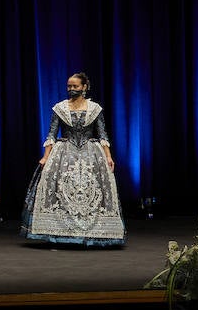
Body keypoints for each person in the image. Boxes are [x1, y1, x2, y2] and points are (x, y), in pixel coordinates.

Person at [19, 72, 125, 246]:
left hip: (91, 153)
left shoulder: (94, 109)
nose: (71, 89)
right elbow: (51, 135)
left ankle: (92, 232)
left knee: (92, 191)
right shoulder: (60, 108)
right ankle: (62, 231)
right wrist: (46, 157)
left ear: (84, 87)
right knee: (62, 191)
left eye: (75, 86)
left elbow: (103, 134)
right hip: (64, 153)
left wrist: (108, 156)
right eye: (69, 86)